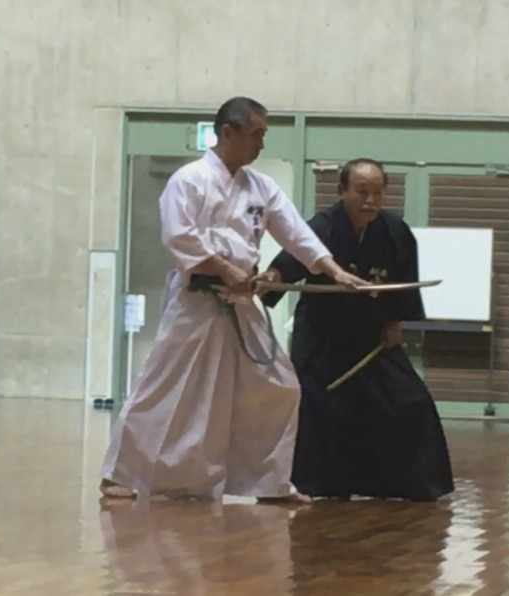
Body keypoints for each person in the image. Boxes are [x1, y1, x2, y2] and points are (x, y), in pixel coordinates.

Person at [99, 97, 365, 503]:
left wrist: (334, 271)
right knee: (164, 388)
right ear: (228, 132)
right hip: (195, 300)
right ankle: (118, 474)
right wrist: (225, 269)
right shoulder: (189, 180)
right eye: (256, 134)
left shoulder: (260, 187)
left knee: (280, 386)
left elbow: (295, 232)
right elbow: (179, 235)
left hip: (241, 303)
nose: (261, 143)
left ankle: (270, 483)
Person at [259, 158, 454, 502]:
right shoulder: (323, 227)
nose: (370, 200)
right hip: (323, 339)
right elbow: (292, 262)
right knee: (317, 407)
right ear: (341, 191)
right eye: (362, 191)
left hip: (373, 339)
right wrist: (271, 278)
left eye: (377, 192)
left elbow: (404, 282)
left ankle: (412, 485)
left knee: (410, 401)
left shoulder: (394, 231)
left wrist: (396, 323)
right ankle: (315, 485)